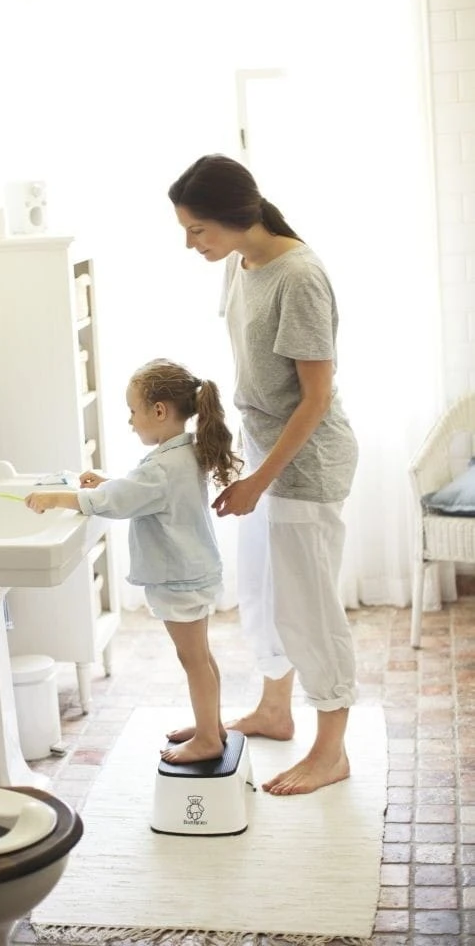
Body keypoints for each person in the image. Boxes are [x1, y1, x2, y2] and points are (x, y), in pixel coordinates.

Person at [167, 154, 359, 796]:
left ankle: (331, 750)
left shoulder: (298, 277)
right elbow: (255, 374)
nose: (190, 244)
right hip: (266, 451)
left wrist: (258, 481)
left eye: (197, 230)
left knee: (310, 608)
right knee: (263, 591)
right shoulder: (240, 263)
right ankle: (276, 710)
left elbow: (315, 398)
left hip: (307, 463)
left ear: (234, 216)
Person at [25, 358, 242, 765]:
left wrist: (56, 497)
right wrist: (109, 483)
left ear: (159, 411)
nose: (129, 421)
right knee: (201, 656)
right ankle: (211, 726)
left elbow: (120, 501)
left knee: (194, 660)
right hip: (193, 571)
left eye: (132, 411)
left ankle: (208, 739)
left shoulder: (162, 466)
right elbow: (142, 494)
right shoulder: (183, 453)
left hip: (180, 579)